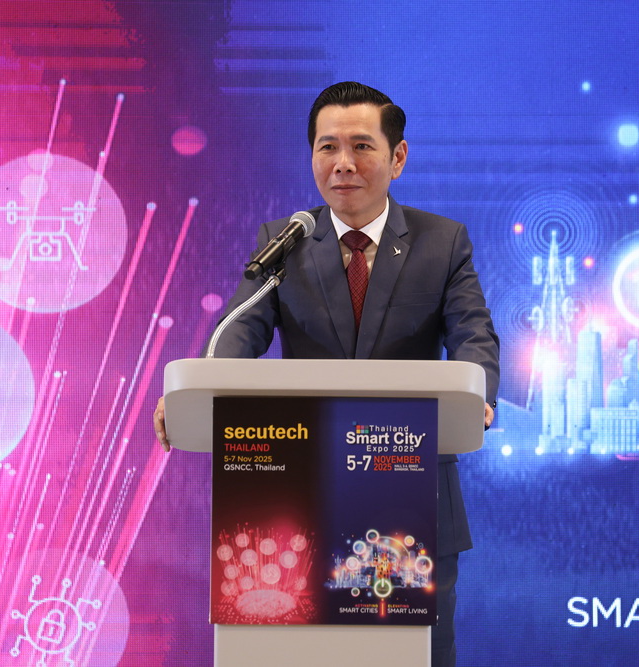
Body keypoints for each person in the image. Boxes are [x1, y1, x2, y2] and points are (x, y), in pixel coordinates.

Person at [155, 81, 500, 667]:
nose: (343, 163)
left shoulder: (442, 242)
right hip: (295, 505)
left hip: (412, 502)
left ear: (398, 157)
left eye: (362, 146)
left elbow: (474, 335)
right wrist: (198, 392)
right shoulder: (285, 242)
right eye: (327, 147)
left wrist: (478, 393)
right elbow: (240, 330)